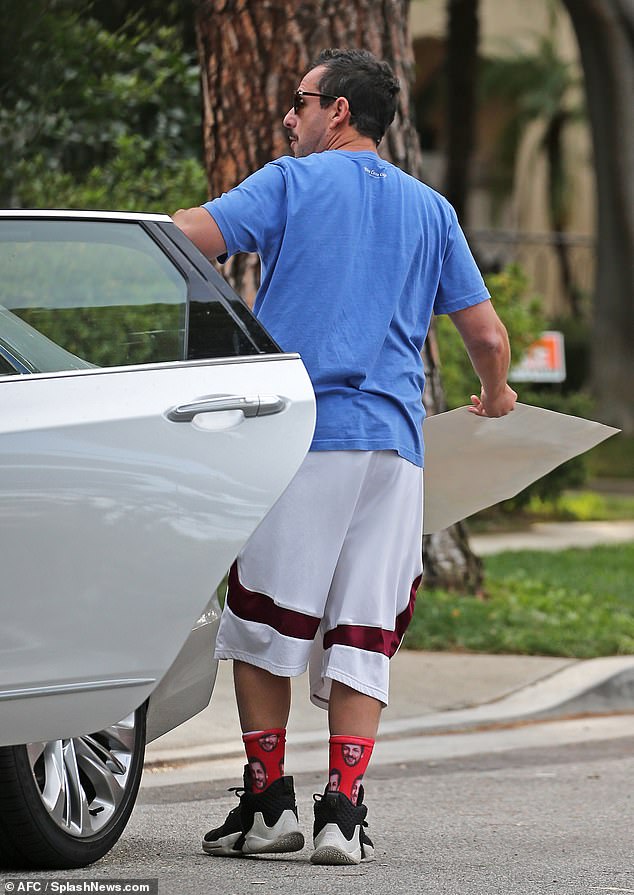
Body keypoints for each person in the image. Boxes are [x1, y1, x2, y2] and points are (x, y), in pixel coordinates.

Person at [173, 47, 517, 867]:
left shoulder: (289, 182)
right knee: (363, 630)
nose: (288, 117)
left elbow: (191, 237)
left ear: (340, 114)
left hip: (302, 437)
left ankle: (265, 804)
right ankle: (342, 814)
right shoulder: (432, 209)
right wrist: (496, 397)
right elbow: (488, 337)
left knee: (261, 616)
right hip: (395, 451)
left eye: (301, 102)